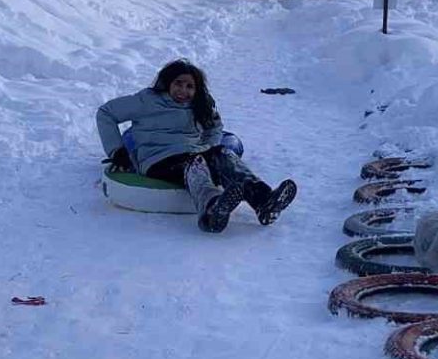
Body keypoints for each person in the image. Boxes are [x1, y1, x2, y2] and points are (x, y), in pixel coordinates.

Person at [97, 60, 297, 233]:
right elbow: (106, 113)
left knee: (223, 154)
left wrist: (209, 146)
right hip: (158, 159)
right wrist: (117, 151)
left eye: (190, 86)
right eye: (178, 84)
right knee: (196, 165)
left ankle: (264, 201)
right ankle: (211, 210)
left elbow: (215, 127)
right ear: (167, 82)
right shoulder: (146, 101)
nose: (183, 91)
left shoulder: (199, 105)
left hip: (193, 153)